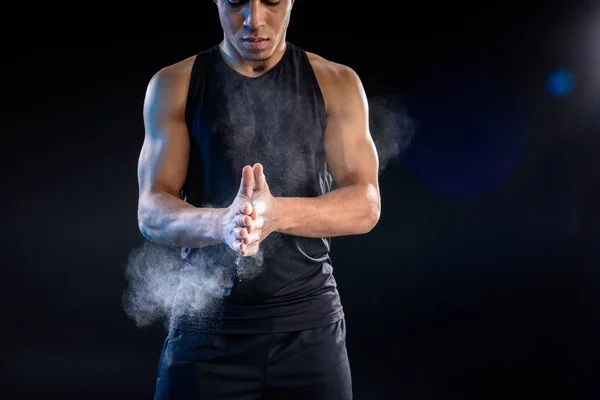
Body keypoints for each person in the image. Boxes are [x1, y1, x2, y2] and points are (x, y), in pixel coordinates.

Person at [136, 0, 381, 398]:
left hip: (307, 328)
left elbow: (366, 205)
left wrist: (276, 214)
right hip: (204, 332)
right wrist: (223, 224)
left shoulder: (336, 82)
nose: (254, 19)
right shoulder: (174, 84)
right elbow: (151, 212)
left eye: (271, 1)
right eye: (236, 2)